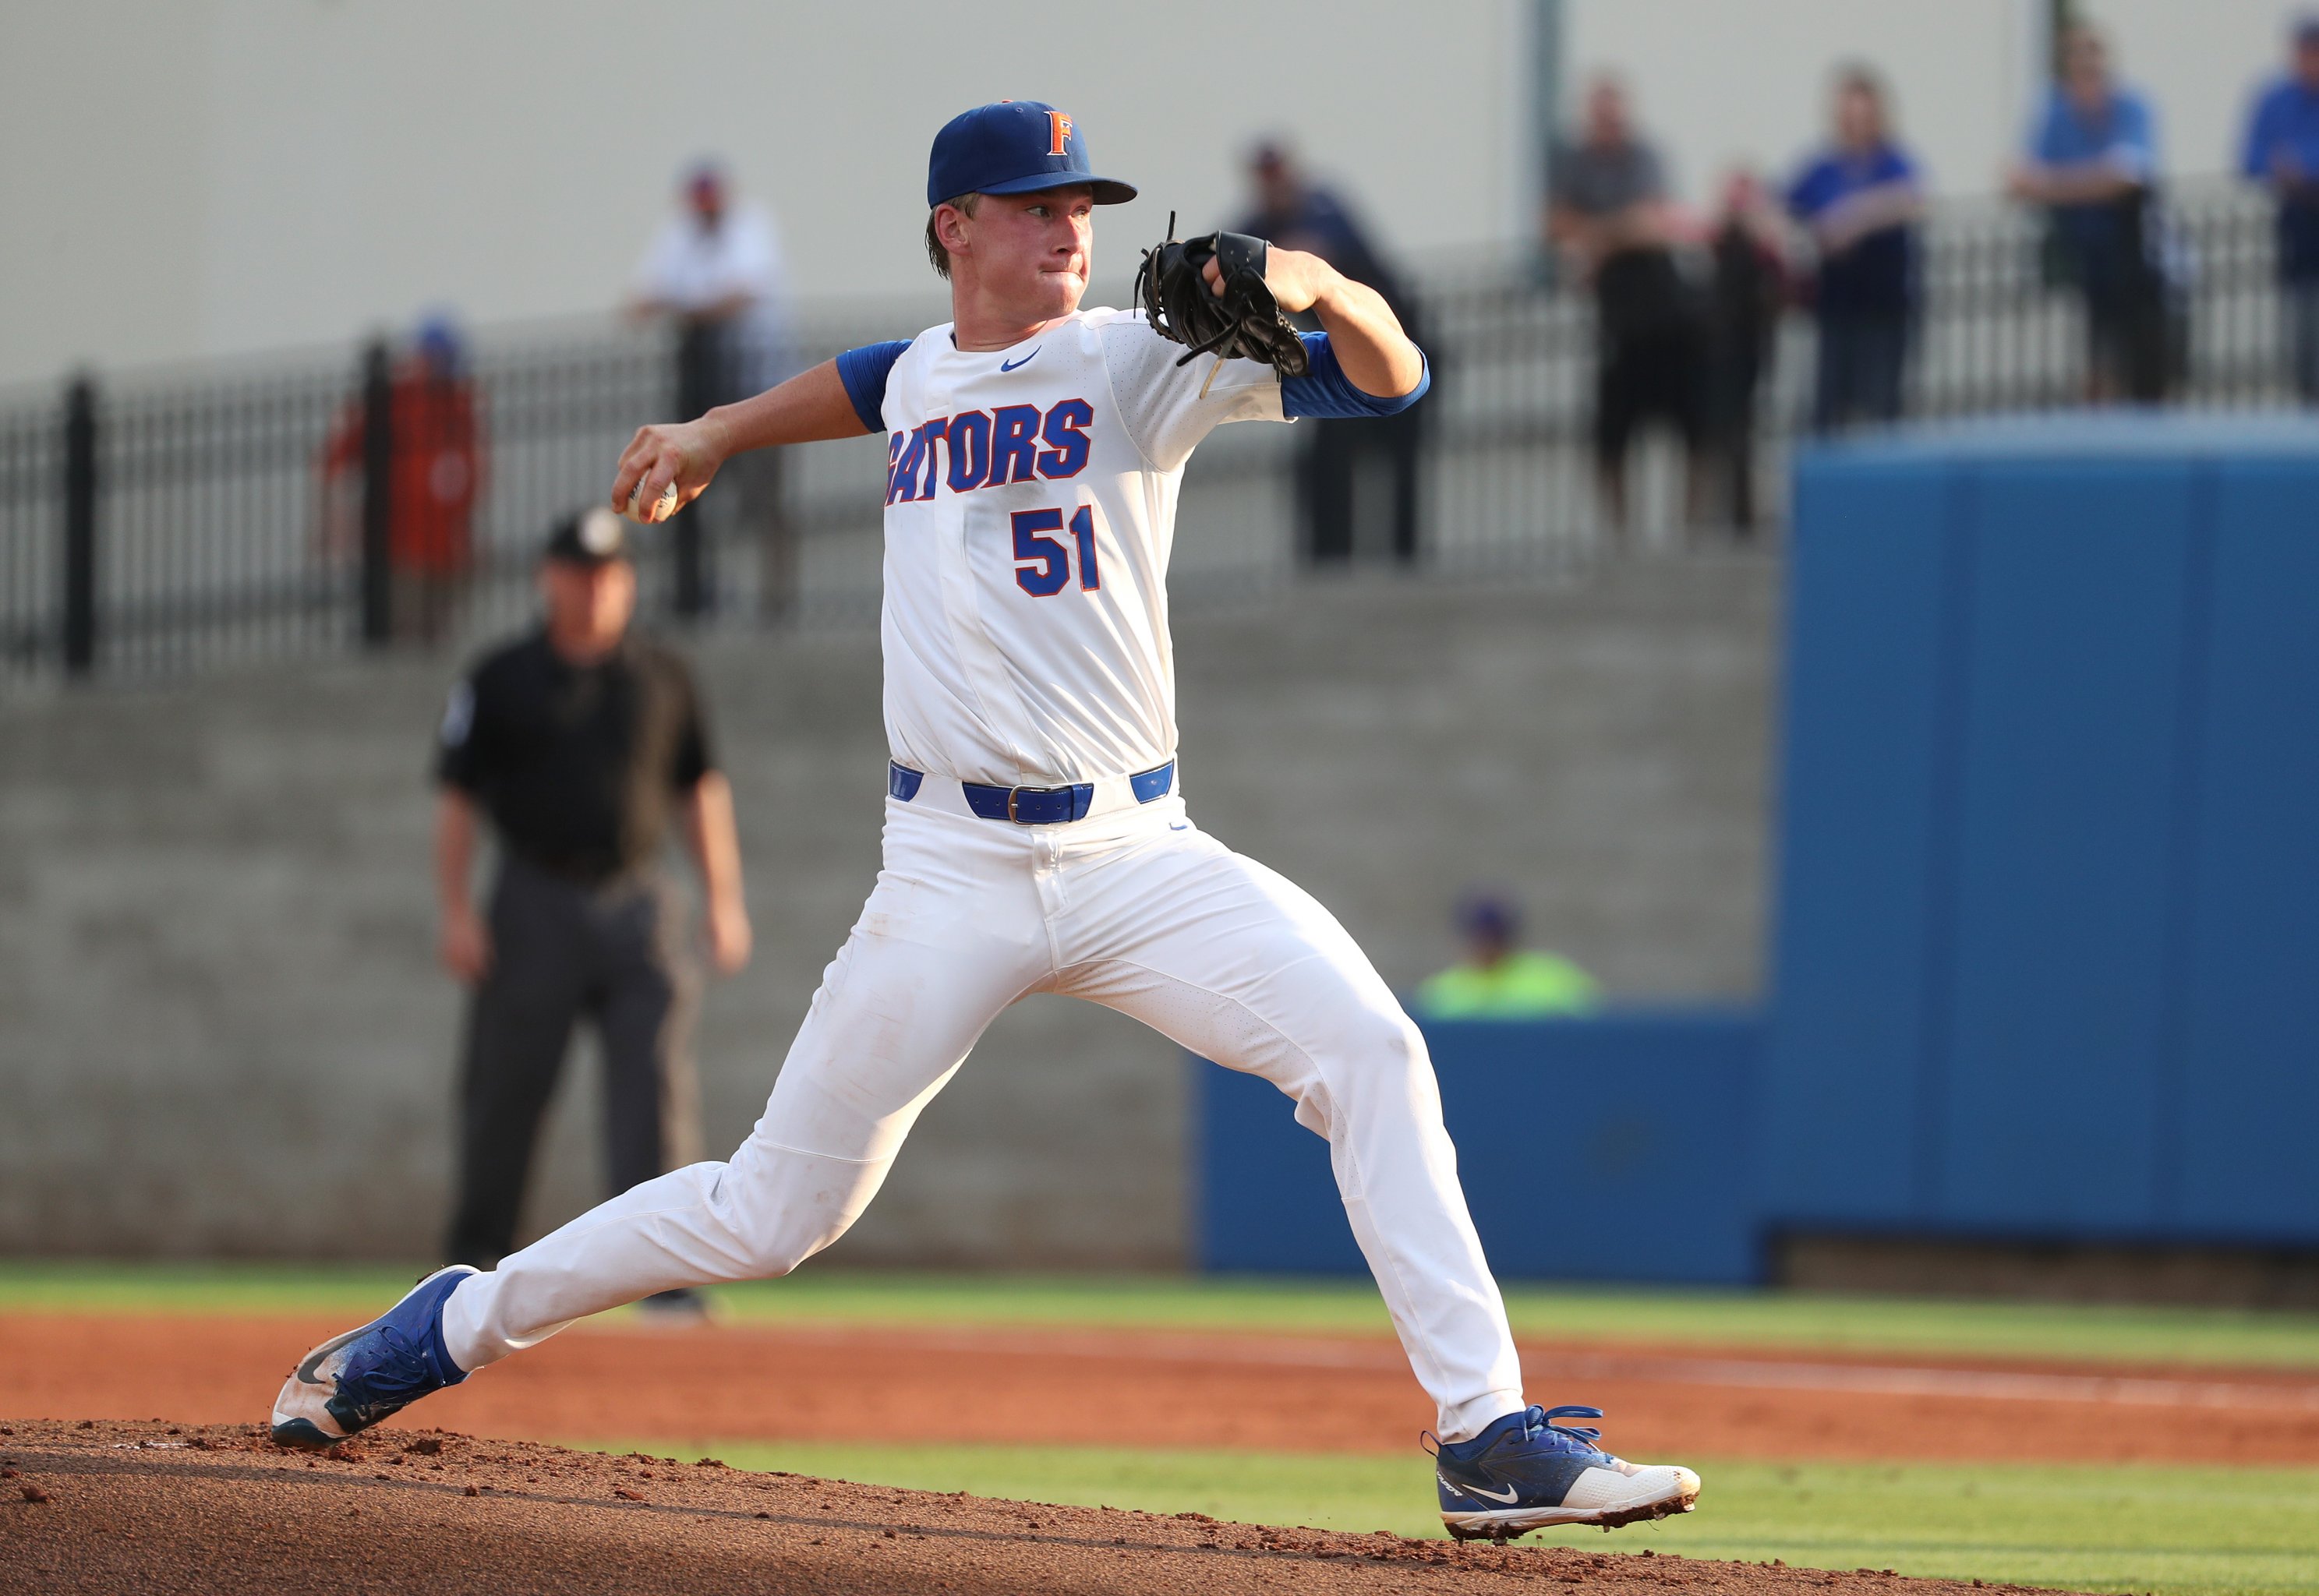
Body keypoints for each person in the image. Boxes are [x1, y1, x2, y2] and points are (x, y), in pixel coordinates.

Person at [272, 100, 1700, 1542]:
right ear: (955, 226)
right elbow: (870, 375)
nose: (1069, 225)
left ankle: (1485, 1435)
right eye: (1032, 205)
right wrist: (716, 428)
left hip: (1140, 855)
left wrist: (1315, 281)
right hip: (950, 870)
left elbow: (1392, 383)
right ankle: (457, 1322)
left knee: (1374, 1047)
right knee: (771, 1214)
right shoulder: (919, 377)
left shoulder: (1141, 358)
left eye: (1079, 204)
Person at [431, 507, 753, 1316]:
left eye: (609, 574)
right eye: (578, 572)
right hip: (533, 896)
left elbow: (699, 790)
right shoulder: (499, 675)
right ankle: (469, 1269)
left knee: (652, 1089)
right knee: (507, 1088)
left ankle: (664, 1281)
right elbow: (457, 800)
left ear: (628, 582)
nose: (594, 588)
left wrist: (724, 900)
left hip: (638, 900)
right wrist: (456, 910)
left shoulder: (663, 675)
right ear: (547, 578)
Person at [1234, 140, 1425, 564]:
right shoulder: (1261, 221)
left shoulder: (1323, 204)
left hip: (1399, 340)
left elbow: (1319, 253)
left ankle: (1405, 561)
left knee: (1402, 458)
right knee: (1328, 461)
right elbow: (1225, 253)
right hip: (1340, 359)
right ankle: (1331, 562)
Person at [631, 161, 797, 618]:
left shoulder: (751, 225)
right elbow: (640, 302)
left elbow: (740, 294)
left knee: (766, 503)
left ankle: (776, 604)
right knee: (688, 501)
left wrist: (682, 305)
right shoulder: (679, 232)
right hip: (706, 388)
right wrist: (688, 306)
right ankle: (692, 598)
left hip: (760, 387)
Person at [1547, 76, 1709, 537]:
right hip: (1617, 321)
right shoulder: (1574, 163)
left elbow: (1654, 223)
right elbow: (1556, 224)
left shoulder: (1646, 157)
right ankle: (1621, 535)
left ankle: (1687, 528)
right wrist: (1616, 234)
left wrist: (1595, 241)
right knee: (1611, 435)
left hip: (1666, 316)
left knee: (1690, 426)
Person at [2008, 26, 2172, 404]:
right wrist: (2089, 184)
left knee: (2144, 352)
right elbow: (2021, 180)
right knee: (2098, 342)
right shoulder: (2053, 111)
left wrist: (2054, 186)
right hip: (2082, 256)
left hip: (2135, 258)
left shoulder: (2133, 106)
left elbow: (2128, 177)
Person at [318, 314, 485, 643]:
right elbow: (336, 462)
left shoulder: (460, 404)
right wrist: (333, 521)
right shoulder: (393, 401)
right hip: (401, 547)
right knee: (403, 633)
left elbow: (473, 472)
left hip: (448, 547)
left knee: (440, 632)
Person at [1787, 65, 1925, 432]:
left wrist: (1851, 219)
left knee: (1880, 412)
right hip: (1835, 310)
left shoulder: (1893, 162)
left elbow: (1910, 198)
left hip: (1883, 310)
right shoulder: (1821, 167)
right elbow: (1781, 205)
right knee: (1828, 413)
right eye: (1847, 115)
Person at [1702, 169, 1789, 534]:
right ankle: (1730, 510)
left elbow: (1784, 287)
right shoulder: (1717, 240)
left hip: (1751, 347)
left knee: (1746, 431)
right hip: (1720, 350)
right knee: (1724, 432)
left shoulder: (1765, 246)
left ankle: (1745, 511)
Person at [2239, 16, 2319, 401]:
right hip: (2298, 225)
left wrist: (2303, 166)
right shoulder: (2274, 99)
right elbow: (2251, 160)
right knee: (2302, 320)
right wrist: (2283, 170)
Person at [1415, 893, 1601, 1020]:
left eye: (1493, 937)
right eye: (1480, 937)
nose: (1486, 946)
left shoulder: (1554, 980)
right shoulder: (1442, 991)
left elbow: (1594, 1020)